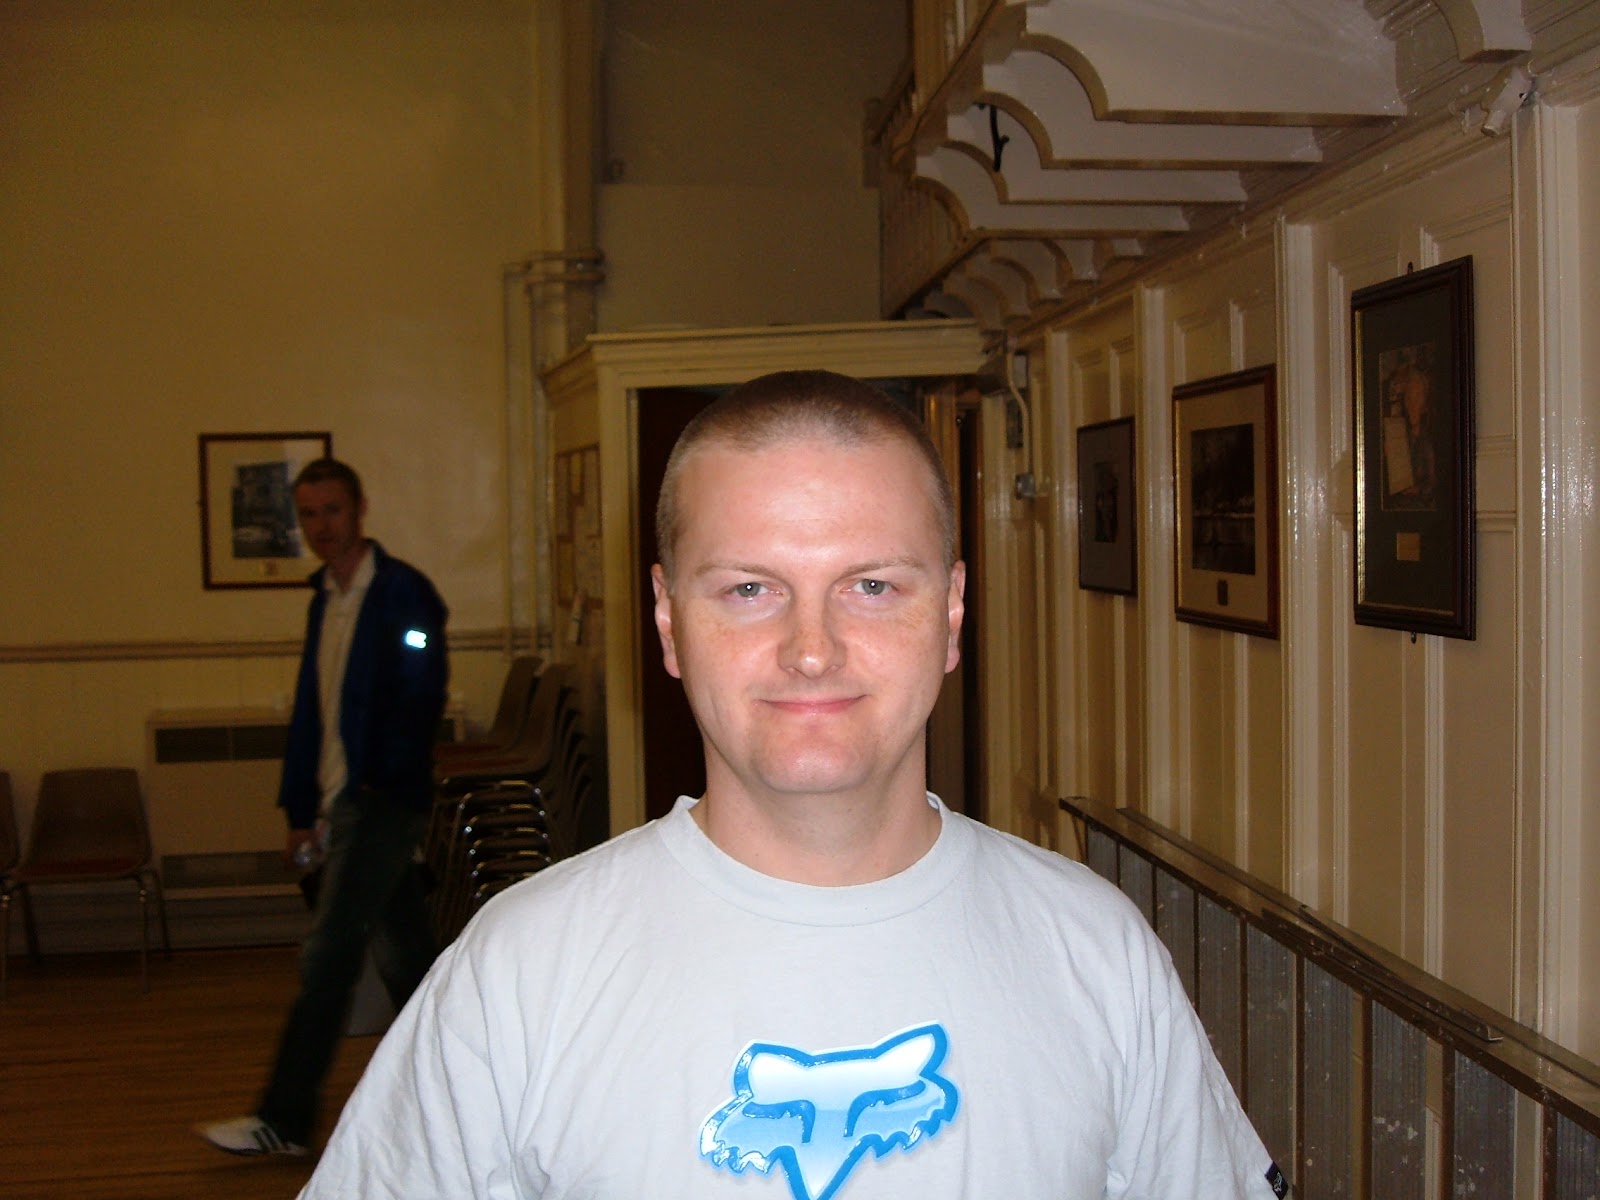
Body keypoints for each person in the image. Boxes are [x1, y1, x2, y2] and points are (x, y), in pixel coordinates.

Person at [298, 372, 1286, 1199]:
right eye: (749, 589)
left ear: (950, 614)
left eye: (872, 586)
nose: (812, 650)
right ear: (669, 622)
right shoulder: (519, 972)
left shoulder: (1096, 951)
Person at [199, 457, 449, 1158]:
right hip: (343, 800)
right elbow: (314, 712)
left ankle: (284, 1119)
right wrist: (300, 811)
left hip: (380, 804)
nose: (321, 527)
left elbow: (421, 693)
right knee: (411, 964)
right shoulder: (324, 599)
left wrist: (380, 785)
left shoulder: (403, 595)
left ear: (359, 509)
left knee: (329, 957)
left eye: (332, 511)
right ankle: (474, 1094)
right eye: (308, 515)